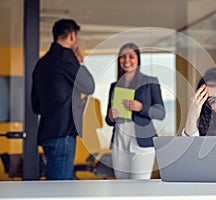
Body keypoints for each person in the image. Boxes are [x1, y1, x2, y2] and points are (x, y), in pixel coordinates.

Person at [31, 19, 95, 180]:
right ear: (72, 36)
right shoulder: (66, 58)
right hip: (63, 136)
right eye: (77, 37)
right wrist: (80, 62)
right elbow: (89, 86)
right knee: (58, 191)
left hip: (47, 134)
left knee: (68, 185)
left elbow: (36, 106)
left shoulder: (41, 63)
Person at [105, 43, 165, 179]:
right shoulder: (114, 86)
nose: (126, 61)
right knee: (121, 187)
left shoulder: (150, 81)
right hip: (119, 141)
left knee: (140, 187)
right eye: (123, 57)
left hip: (142, 141)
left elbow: (160, 112)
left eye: (131, 57)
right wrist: (110, 116)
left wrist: (141, 108)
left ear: (138, 60)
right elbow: (108, 120)